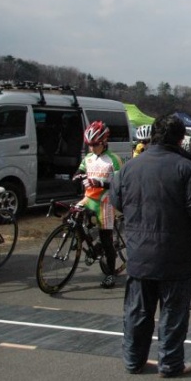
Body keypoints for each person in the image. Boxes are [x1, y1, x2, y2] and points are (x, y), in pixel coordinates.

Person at [110, 114, 191, 377]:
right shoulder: (187, 169)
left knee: (138, 311)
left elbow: (116, 201)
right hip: (176, 254)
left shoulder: (129, 168)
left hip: (138, 252)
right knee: (172, 313)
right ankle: (170, 363)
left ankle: (133, 360)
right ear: (181, 139)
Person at [74, 121, 122, 289]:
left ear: (103, 142)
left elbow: (118, 184)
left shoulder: (113, 160)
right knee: (71, 218)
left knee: (106, 238)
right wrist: (77, 177)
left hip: (105, 201)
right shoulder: (88, 158)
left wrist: (100, 183)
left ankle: (110, 273)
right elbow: (80, 171)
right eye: (89, 145)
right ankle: (92, 248)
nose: (91, 149)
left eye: (95, 145)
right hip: (89, 198)